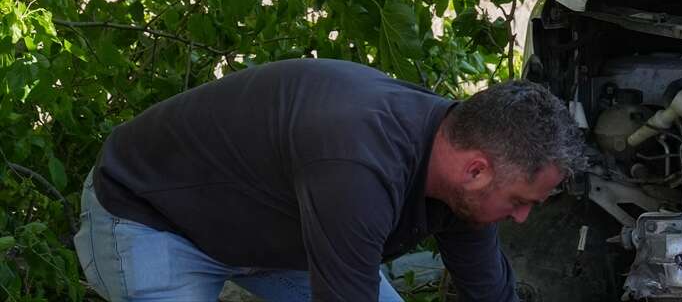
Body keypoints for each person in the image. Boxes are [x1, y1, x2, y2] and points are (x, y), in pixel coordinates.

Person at [73, 59, 585, 301]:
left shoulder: (461, 161)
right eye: (520, 201)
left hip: (280, 232)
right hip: (153, 218)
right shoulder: (359, 164)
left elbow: (490, 293)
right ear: (477, 170)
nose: (522, 217)